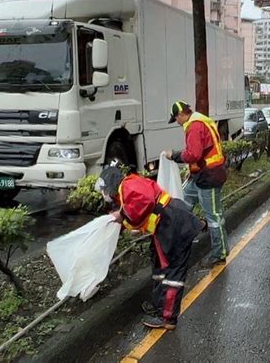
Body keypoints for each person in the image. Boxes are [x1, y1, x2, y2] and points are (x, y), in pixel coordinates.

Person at [95, 165, 202, 330]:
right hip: (165, 226)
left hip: (172, 225)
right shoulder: (126, 189)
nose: (104, 194)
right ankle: (159, 305)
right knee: (159, 267)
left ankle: (167, 317)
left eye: (104, 190)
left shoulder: (128, 186)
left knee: (173, 272)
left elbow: (143, 203)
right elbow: (137, 212)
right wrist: (121, 220)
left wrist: (122, 215)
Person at [164, 101, 229, 267]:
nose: (177, 123)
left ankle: (219, 254)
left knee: (214, 217)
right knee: (181, 204)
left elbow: (193, 153)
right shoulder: (200, 120)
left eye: (176, 119)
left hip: (209, 177)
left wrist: (174, 155)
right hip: (201, 174)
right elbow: (202, 152)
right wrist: (191, 169)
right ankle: (180, 240)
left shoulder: (194, 126)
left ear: (180, 115)